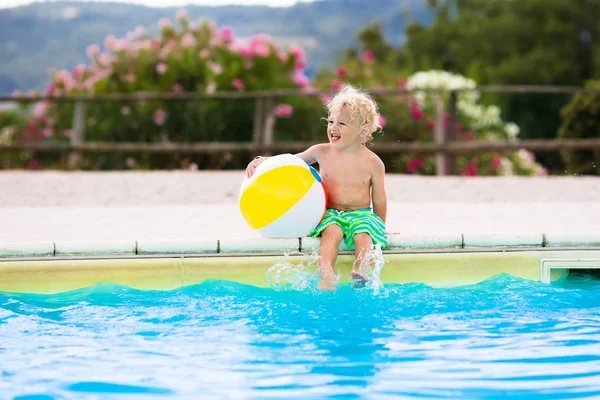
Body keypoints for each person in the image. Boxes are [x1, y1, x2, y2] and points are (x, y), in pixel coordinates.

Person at [246, 84, 387, 291]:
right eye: (330, 121)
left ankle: (362, 270)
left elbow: (380, 199)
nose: (333, 128)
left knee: (364, 235)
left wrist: (381, 226)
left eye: (341, 123)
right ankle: (326, 272)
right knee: (331, 231)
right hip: (331, 213)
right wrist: (265, 160)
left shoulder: (373, 163)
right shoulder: (321, 152)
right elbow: (291, 161)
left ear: (363, 130)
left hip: (362, 214)